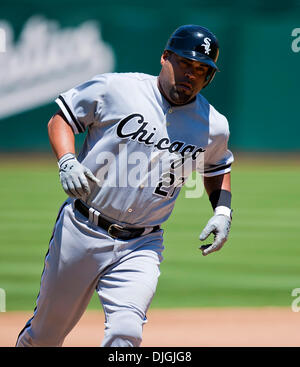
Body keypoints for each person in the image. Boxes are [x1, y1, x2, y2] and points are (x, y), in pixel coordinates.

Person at [16, 24, 233, 347]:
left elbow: (217, 165)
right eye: (185, 63)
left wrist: (223, 211)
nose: (191, 75)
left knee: (125, 334)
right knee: (45, 337)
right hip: (81, 230)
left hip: (142, 245)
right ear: (164, 57)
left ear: (209, 77)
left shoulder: (213, 125)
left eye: (201, 70)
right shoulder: (116, 88)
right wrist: (67, 160)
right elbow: (61, 119)